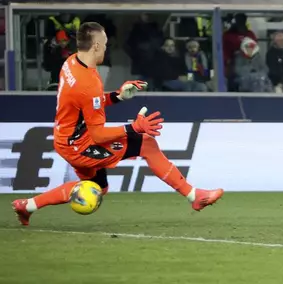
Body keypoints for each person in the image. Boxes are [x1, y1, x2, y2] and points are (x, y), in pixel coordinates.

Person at [12, 22, 224, 226]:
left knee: (97, 188)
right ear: (95, 45)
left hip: (67, 139)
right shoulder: (88, 82)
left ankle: (27, 206)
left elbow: (86, 104)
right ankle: (194, 195)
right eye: (104, 44)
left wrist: (118, 96)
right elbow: (98, 135)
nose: (106, 48)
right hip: (82, 145)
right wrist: (134, 128)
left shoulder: (72, 63)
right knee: (145, 143)